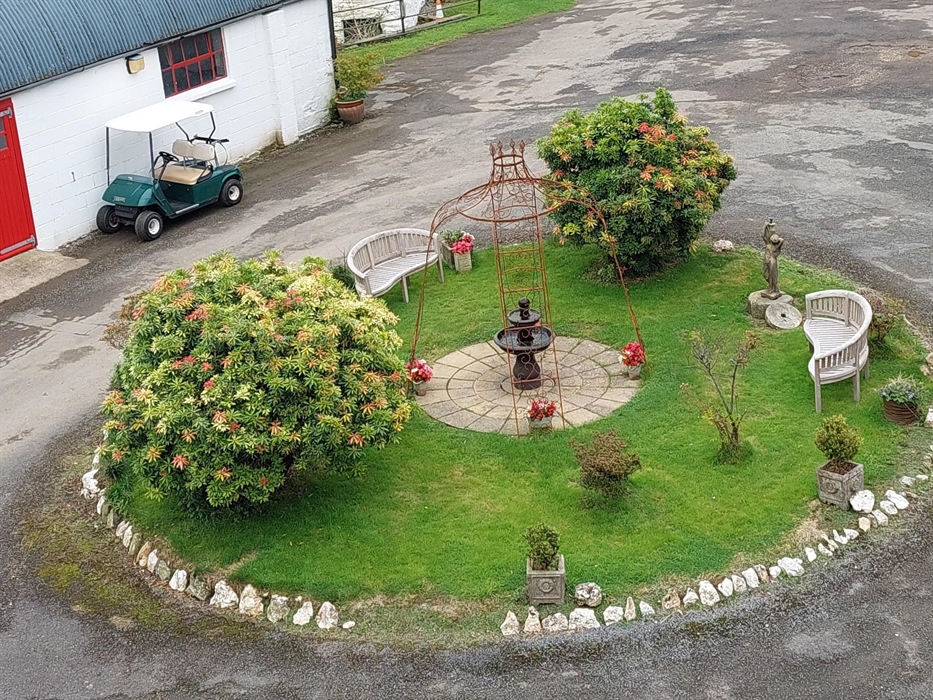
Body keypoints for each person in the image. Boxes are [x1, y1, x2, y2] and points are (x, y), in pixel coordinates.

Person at [761, 219, 784, 299]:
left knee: (772, 276)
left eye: (775, 238)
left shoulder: (776, 247)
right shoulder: (768, 243)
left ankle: (773, 289)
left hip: (772, 262)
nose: (773, 238)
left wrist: (778, 240)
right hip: (766, 260)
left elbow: (781, 240)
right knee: (765, 273)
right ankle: (770, 287)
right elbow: (763, 235)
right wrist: (765, 226)